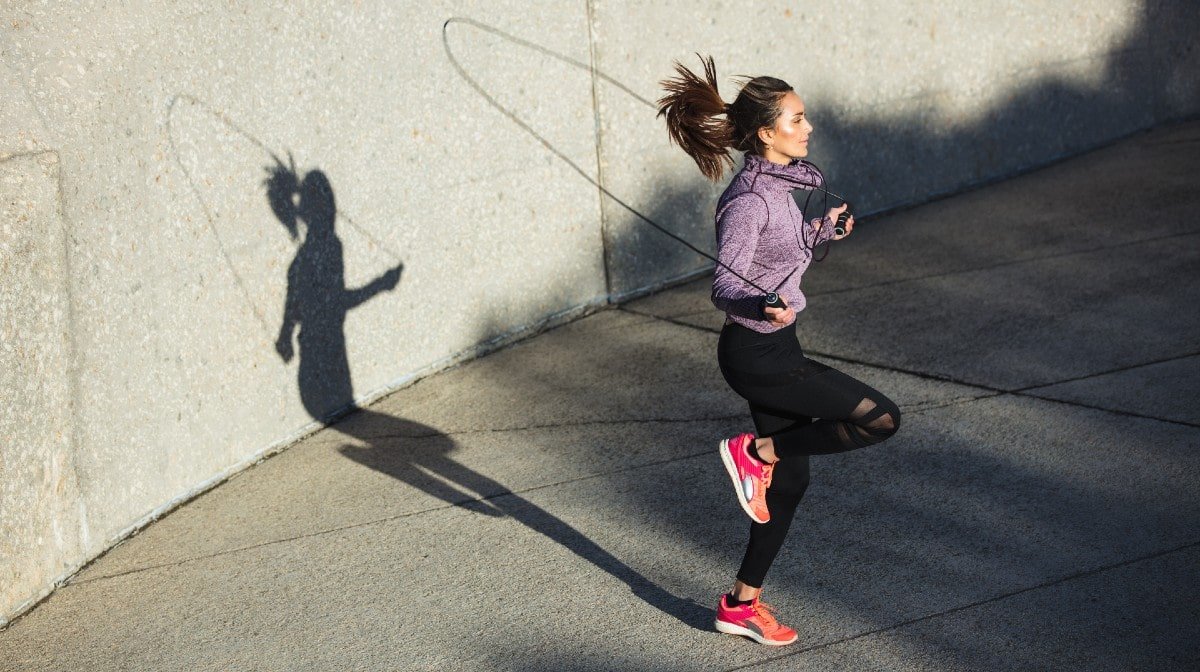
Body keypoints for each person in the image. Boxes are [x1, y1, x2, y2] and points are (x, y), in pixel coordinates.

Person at [658, 55, 902, 646]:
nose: (808, 126)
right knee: (880, 418)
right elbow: (726, 283)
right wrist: (759, 302)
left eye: (805, 115)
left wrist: (825, 230)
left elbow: (789, 245)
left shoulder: (793, 184)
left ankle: (741, 605)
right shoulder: (747, 201)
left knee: (790, 488)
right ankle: (756, 450)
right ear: (767, 133)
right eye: (797, 119)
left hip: (777, 347)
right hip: (757, 355)